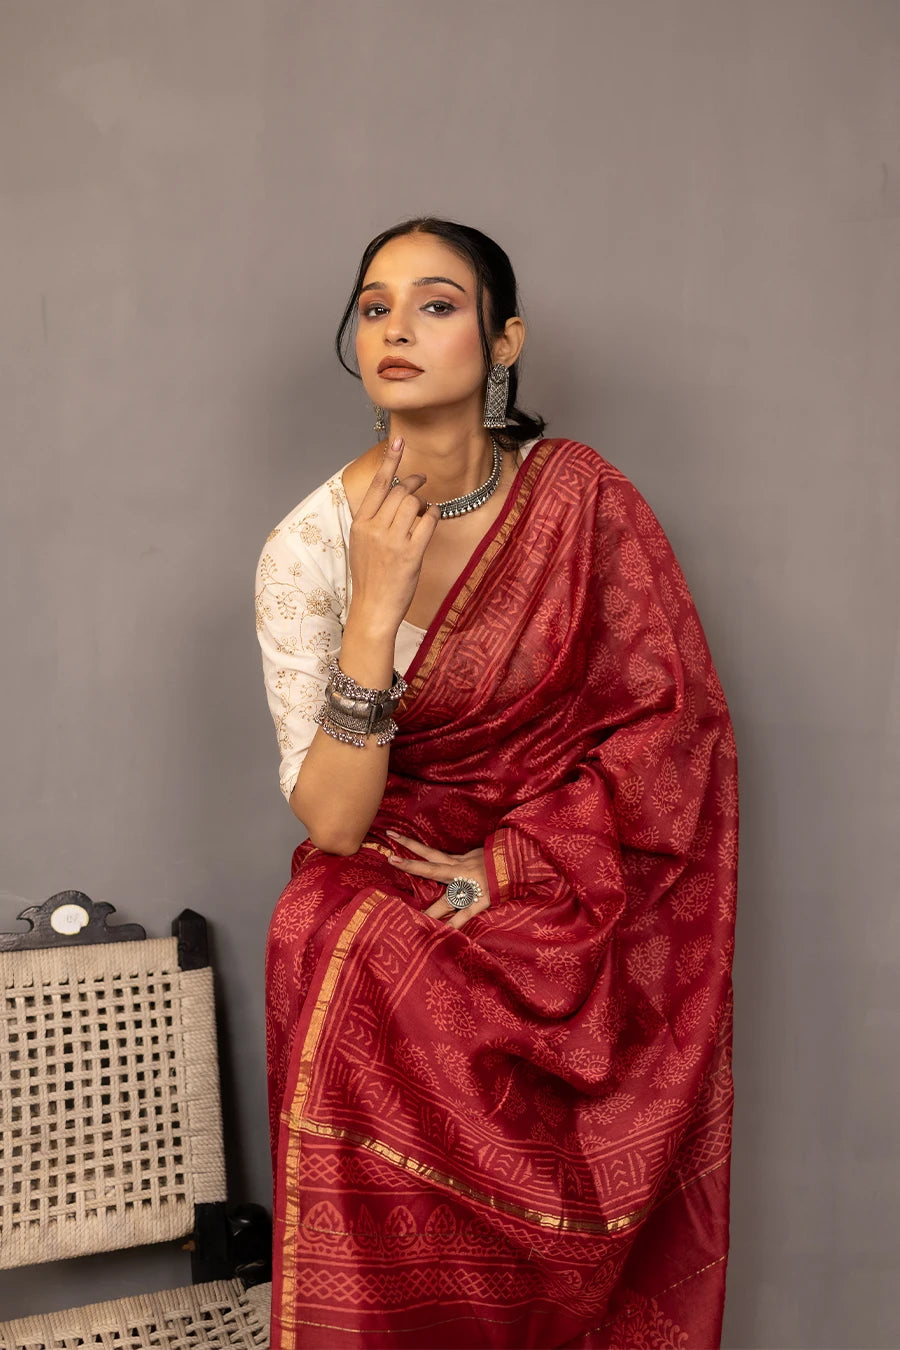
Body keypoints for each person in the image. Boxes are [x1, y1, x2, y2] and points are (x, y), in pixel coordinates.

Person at [255, 217, 738, 1350]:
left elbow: (675, 730)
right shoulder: (308, 548)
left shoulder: (586, 504)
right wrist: (374, 603)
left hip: (564, 874)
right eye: (375, 308)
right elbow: (333, 820)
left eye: (436, 304)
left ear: (503, 338)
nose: (397, 330)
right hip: (390, 853)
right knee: (327, 942)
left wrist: (523, 862)